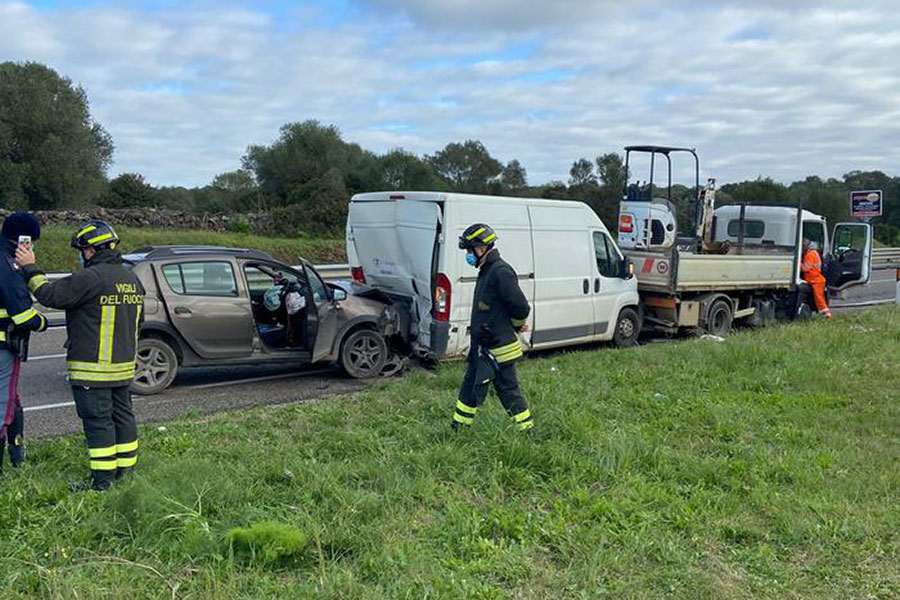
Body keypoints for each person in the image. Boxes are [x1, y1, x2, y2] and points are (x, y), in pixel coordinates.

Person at [16, 220, 145, 490]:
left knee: (98, 424)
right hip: (123, 367)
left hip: (92, 369)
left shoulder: (91, 277)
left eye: (82, 249)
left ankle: (102, 483)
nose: (81, 254)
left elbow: (49, 294)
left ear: (91, 250)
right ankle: (126, 473)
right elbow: (139, 320)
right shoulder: (131, 279)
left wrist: (29, 266)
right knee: (123, 417)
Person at [452, 223, 533, 432]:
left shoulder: (500, 272)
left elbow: (521, 308)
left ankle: (526, 430)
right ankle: (460, 428)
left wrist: (516, 327)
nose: (468, 255)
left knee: (496, 388)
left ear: (481, 248)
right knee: (492, 387)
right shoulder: (487, 270)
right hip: (486, 345)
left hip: (496, 348)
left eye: (470, 250)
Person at [0, 213, 48, 472]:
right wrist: (43, 323)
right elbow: (23, 314)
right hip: (3, 348)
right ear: (23, 239)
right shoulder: (7, 263)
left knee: (11, 401)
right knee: (3, 407)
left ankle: (17, 455)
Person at [801, 238, 833, 319]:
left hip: (815, 280)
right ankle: (824, 313)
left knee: (819, 298)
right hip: (816, 279)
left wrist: (797, 263)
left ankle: (827, 314)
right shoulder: (814, 253)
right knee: (819, 298)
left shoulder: (810, 255)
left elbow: (805, 268)